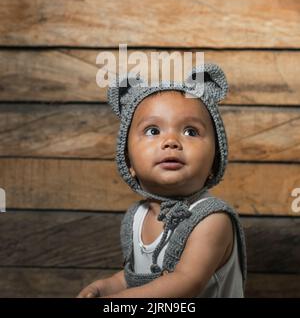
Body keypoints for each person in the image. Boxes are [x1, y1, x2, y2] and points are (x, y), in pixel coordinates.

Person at [77, 62, 247, 298]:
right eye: (153, 131)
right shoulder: (136, 217)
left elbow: (184, 283)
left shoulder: (212, 220)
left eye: (191, 131)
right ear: (129, 163)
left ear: (214, 162)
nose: (171, 141)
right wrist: (104, 287)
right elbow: (133, 277)